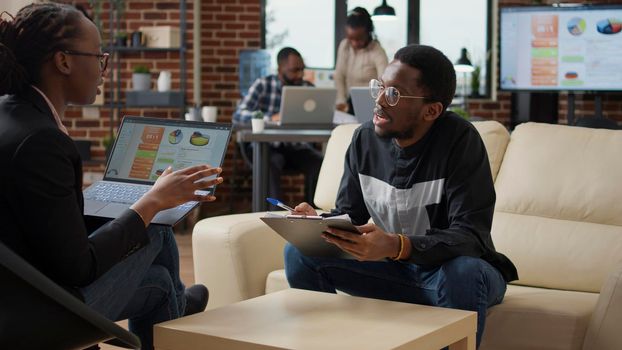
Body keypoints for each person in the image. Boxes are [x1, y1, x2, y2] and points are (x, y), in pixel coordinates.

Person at [0, 4, 221, 349]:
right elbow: (79, 268)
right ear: (64, 62)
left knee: (160, 283)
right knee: (157, 230)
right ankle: (178, 305)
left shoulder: (9, 112)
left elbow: (32, 215)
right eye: (99, 57)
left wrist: (86, 198)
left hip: (18, 288)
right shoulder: (42, 140)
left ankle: (175, 300)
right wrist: (152, 201)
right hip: (40, 310)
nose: (104, 70)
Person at [284, 44, 518, 348]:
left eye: (393, 94)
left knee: (464, 271)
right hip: (395, 272)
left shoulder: (461, 142)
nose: (379, 101)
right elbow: (350, 216)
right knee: (299, 253)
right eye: (379, 87)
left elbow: (470, 237)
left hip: (450, 272)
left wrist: (398, 246)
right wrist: (318, 224)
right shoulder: (364, 140)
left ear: (431, 110)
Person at [233, 47, 323, 207]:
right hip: (266, 147)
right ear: (280, 69)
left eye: (302, 69)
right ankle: (273, 217)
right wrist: (269, 119)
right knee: (270, 164)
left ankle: (314, 213)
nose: (300, 75)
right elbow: (238, 115)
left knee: (320, 164)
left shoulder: (308, 88)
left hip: (295, 147)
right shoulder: (263, 84)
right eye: (295, 70)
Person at [334, 7, 388, 114]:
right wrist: (341, 100)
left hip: (370, 105)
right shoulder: (345, 46)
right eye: (351, 38)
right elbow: (339, 76)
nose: (354, 43)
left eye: (359, 39)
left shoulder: (377, 51)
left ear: (368, 32)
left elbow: (384, 81)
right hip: (347, 104)